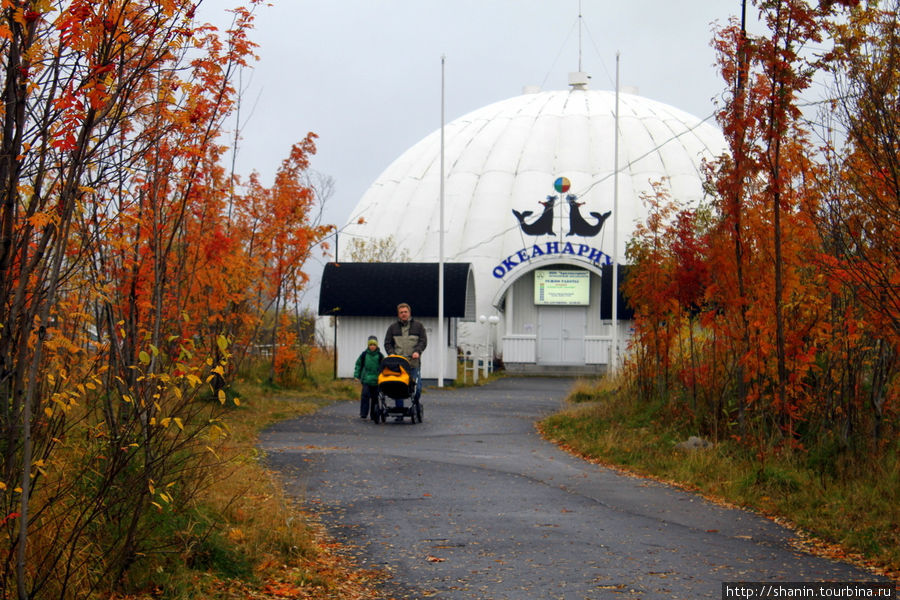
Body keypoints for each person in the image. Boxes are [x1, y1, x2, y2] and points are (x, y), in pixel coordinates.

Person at [383, 302, 427, 420]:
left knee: (416, 389)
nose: (403, 314)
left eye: (405, 312)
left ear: (409, 313)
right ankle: (399, 412)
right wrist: (391, 353)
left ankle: (416, 405)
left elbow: (423, 341)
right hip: (398, 364)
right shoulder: (392, 328)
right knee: (399, 387)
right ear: (398, 314)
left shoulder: (418, 326)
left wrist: (418, 351)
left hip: (413, 363)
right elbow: (387, 343)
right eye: (401, 312)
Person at [354, 335, 384, 419]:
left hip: (376, 380)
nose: (372, 347)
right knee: (365, 396)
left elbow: (384, 367)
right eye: (370, 345)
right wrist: (357, 375)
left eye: (374, 345)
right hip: (366, 379)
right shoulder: (364, 355)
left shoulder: (380, 356)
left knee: (375, 398)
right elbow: (358, 365)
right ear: (368, 345)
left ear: (377, 345)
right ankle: (363, 413)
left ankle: (374, 414)